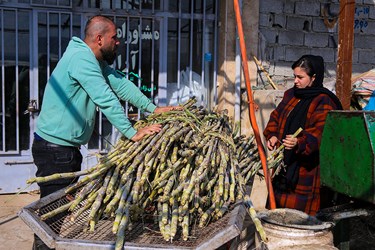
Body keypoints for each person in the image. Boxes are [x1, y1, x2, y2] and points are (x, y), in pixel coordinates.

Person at [31, 15, 179, 249]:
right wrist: (132, 132)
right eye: (114, 37)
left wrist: (153, 109)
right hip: (55, 151)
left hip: (63, 149)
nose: (118, 42)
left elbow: (120, 84)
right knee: (51, 217)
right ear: (99, 39)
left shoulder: (93, 60)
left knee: (57, 215)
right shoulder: (81, 59)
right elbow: (105, 97)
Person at [263, 55, 343, 216]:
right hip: (284, 166)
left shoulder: (324, 101)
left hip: (306, 170)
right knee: (278, 214)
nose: (295, 81)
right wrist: (272, 135)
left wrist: (299, 142)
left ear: (314, 78)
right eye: (294, 76)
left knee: (300, 218)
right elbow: (277, 116)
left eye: (300, 77)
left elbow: (320, 133)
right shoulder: (291, 95)